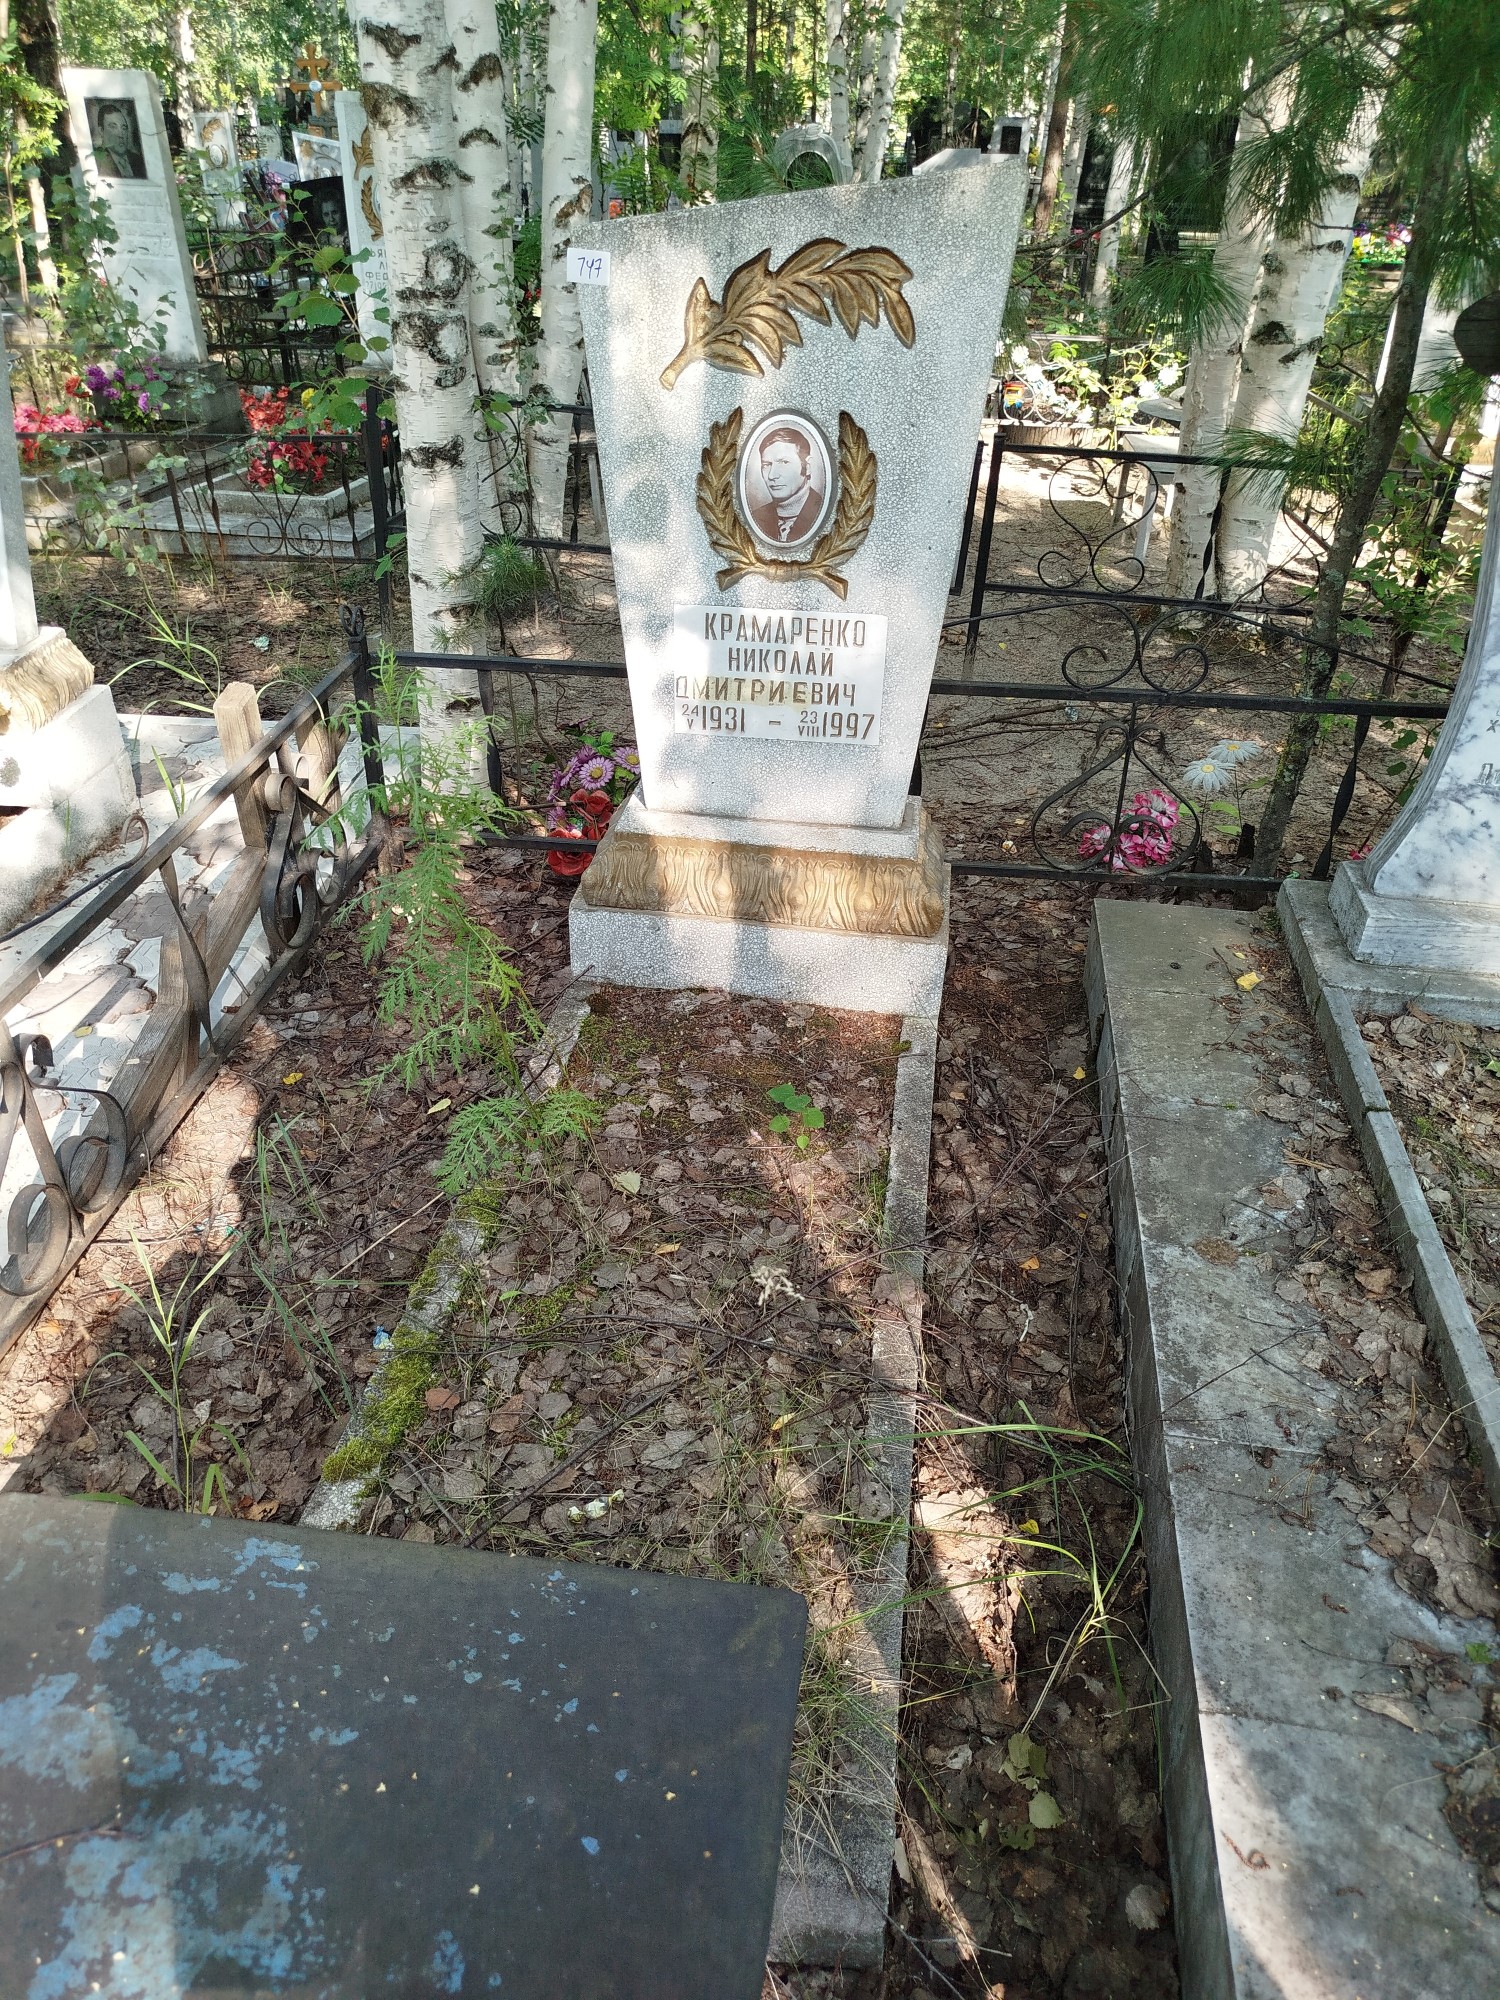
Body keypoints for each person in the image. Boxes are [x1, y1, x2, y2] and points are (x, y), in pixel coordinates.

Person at [749, 427, 823, 545]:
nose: (772, 475)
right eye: (766, 465)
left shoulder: (826, 514)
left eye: (784, 462)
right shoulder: (755, 518)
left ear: (808, 466)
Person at [92, 102, 147, 179]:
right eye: (113, 127)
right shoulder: (95, 161)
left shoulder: (139, 161)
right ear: (101, 131)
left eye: (124, 128)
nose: (121, 135)